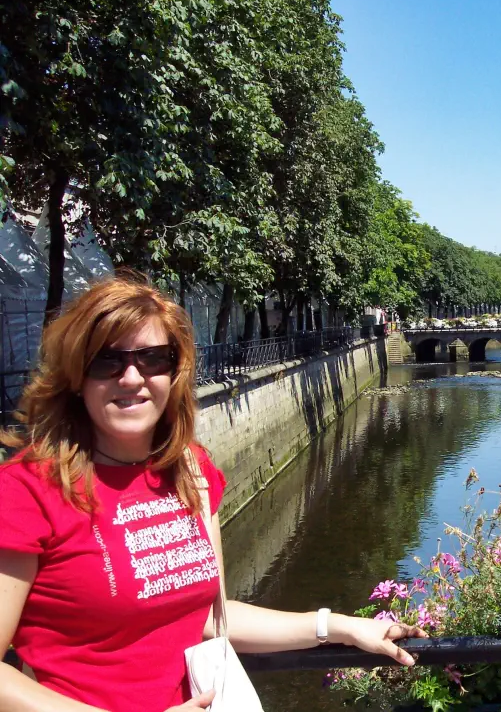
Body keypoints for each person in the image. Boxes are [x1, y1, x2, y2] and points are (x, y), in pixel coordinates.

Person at [0, 275, 425, 712]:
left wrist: (338, 627)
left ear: (174, 372)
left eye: (152, 359)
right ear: (76, 375)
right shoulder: (26, 491)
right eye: (106, 361)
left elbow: (209, 617)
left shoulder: (189, 470)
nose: (132, 377)